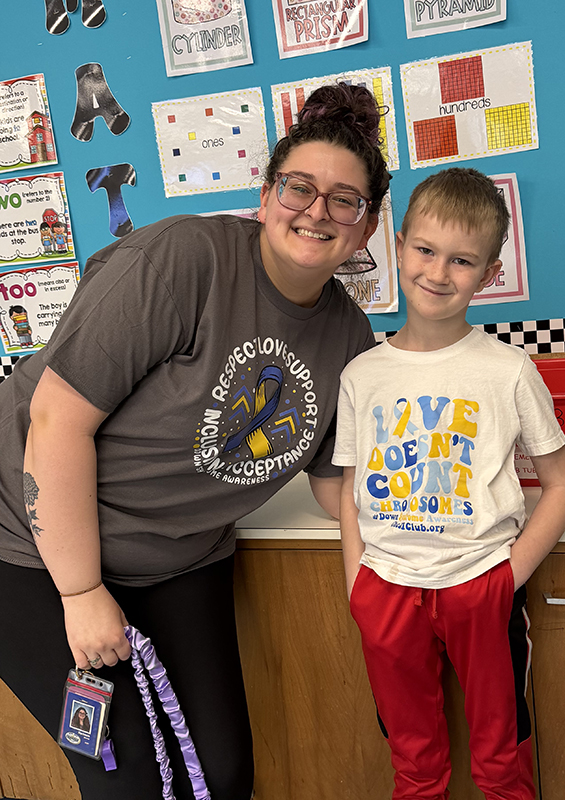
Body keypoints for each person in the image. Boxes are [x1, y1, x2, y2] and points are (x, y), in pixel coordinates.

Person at [0, 83, 391, 800]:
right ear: (268, 194)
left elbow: (337, 480)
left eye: (346, 200)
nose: (317, 211)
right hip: (27, 543)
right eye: (299, 187)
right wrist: (81, 591)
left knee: (220, 772)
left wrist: (417, 552)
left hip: (179, 555)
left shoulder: (348, 337)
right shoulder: (184, 259)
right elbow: (56, 422)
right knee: (133, 782)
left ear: (366, 228)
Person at [333, 168, 565, 800]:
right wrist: (357, 582)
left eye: (462, 260)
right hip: (386, 591)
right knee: (414, 763)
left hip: (481, 586)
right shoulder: (362, 375)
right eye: (425, 250)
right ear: (398, 245)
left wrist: (505, 577)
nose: (438, 273)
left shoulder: (507, 369)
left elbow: (561, 484)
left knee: (501, 758)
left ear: (490, 273)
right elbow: (351, 489)